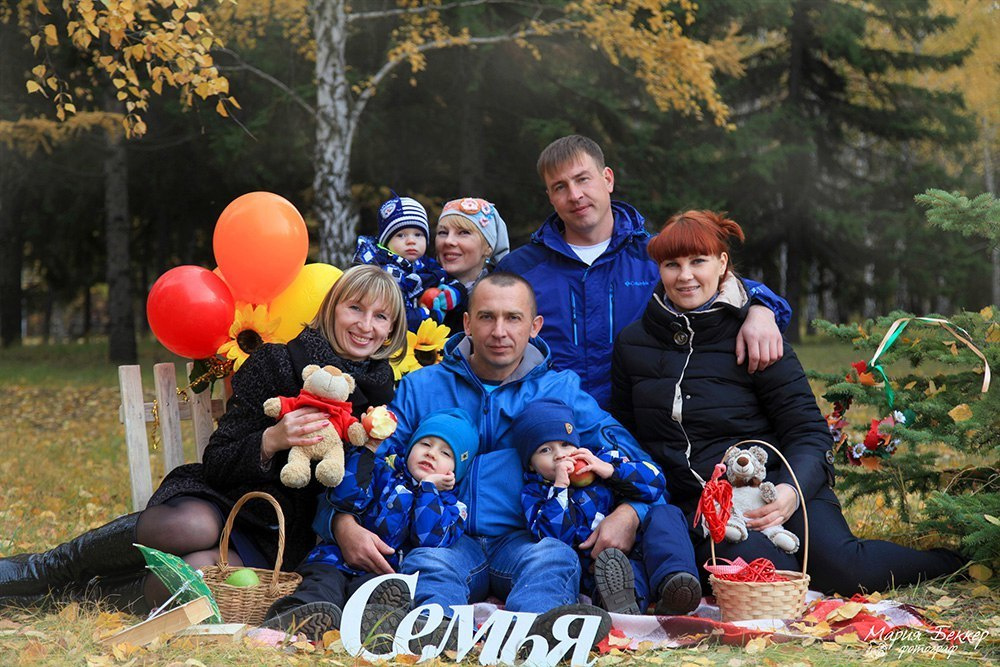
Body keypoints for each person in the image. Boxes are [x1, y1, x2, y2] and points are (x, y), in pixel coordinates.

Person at [0, 265, 408, 614]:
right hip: (227, 496)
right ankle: (44, 570)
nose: (364, 325)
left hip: (286, 537)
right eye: (354, 307)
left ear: (392, 329)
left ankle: (71, 599)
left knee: (195, 576)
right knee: (188, 527)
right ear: (332, 307)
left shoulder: (384, 399)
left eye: (379, 316)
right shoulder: (278, 361)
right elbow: (219, 458)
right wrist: (270, 440)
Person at [610, 210, 967, 595]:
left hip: (781, 482)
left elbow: (808, 432)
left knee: (846, 570)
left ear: (722, 264)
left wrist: (790, 493)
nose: (685, 276)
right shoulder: (633, 345)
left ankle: (957, 563)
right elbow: (626, 438)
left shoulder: (755, 333)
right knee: (767, 570)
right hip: (708, 504)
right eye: (671, 264)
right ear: (658, 270)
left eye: (698, 261)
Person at [334, 272, 697, 645]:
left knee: (554, 559)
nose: (499, 331)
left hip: (528, 538)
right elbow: (369, 458)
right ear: (467, 322)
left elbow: (634, 461)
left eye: (513, 318)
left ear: (535, 326)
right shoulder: (421, 386)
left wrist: (631, 513)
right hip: (445, 537)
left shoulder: (561, 390)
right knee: (427, 564)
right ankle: (435, 635)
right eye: (487, 317)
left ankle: (531, 638)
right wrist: (340, 522)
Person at [498, 135, 790, 409]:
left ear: (607, 179)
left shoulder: (655, 256)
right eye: (560, 186)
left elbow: (719, 282)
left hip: (643, 429)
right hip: (552, 429)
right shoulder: (521, 270)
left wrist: (762, 309)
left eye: (582, 179)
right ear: (550, 195)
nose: (575, 195)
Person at [262, 408, 479, 637]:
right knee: (321, 586)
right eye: (425, 443)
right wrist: (367, 452)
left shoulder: (453, 509)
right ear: (410, 447)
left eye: (446, 453)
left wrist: (428, 488)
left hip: (383, 570)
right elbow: (344, 497)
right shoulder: (382, 472)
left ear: (456, 472)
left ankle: (373, 627)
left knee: (376, 595)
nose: (432, 454)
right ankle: (297, 620)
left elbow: (428, 538)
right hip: (335, 558)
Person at [512, 398, 700, 616]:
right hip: (601, 565)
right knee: (621, 578)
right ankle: (625, 606)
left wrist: (611, 471)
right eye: (545, 450)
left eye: (565, 444)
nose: (560, 455)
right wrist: (560, 487)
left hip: (643, 543)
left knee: (666, 513)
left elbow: (656, 482)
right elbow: (553, 538)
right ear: (530, 464)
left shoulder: (602, 458)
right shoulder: (535, 493)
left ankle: (676, 581)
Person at [354, 193, 465, 332]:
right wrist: (431, 316)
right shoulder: (382, 271)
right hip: (390, 340)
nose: (411, 241)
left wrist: (453, 293)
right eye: (401, 235)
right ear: (386, 243)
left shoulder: (426, 265)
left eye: (418, 235)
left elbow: (449, 279)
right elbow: (396, 316)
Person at [433, 197, 510, 334]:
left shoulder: (505, 297)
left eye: (464, 232)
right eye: (443, 233)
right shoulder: (415, 287)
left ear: (488, 248)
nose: (449, 241)